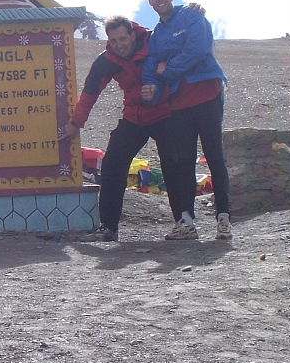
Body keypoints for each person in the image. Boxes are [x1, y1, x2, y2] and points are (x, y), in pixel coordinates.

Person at [61, 13, 205, 242]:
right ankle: (109, 228)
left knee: (174, 165)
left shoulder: (155, 41)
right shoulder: (107, 60)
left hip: (165, 112)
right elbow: (90, 92)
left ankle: (184, 224)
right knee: (112, 163)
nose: (119, 45)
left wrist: (195, 14)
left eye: (123, 39)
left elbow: (187, 47)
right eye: (114, 41)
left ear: (132, 34)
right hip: (134, 116)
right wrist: (76, 124)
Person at [141, 0, 232, 240]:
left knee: (214, 155)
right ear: (150, 2)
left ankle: (223, 218)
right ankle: (186, 221)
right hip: (179, 101)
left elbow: (198, 50)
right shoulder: (156, 35)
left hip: (206, 92)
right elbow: (151, 68)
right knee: (184, 161)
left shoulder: (192, 16)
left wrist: (167, 70)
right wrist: (150, 90)